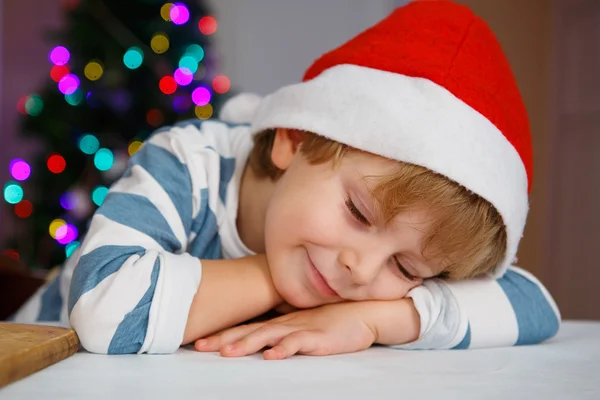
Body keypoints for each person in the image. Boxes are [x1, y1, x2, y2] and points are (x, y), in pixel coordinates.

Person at [11, 0, 560, 358]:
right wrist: (281, 285)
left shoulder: (364, 278)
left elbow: (535, 306)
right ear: (292, 139)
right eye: (359, 213)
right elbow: (106, 307)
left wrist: (375, 321)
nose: (360, 269)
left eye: (406, 266)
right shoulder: (187, 162)